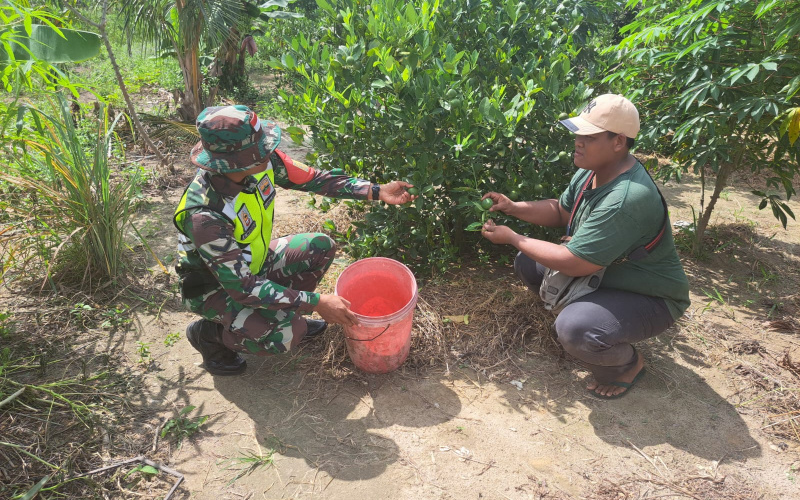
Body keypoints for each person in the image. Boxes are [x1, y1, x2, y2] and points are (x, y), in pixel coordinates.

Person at [173, 105, 416, 375]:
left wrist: (376, 190)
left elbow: (315, 179)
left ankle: (283, 313)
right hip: (216, 288)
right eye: (260, 149)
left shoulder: (260, 164)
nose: (268, 151)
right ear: (236, 161)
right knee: (286, 334)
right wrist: (316, 302)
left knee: (318, 247)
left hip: (255, 263)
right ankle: (211, 335)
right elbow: (242, 287)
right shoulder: (205, 215)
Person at [480, 94, 690, 399]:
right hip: (605, 276)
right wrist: (514, 207)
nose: (578, 141)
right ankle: (584, 321)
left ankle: (625, 364)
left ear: (618, 142)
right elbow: (562, 211)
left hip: (650, 297)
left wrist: (514, 237)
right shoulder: (593, 170)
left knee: (578, 330)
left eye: (588, 136)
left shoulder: (627, 198)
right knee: (527, 262)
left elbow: (576, 261)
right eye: (579, 133)